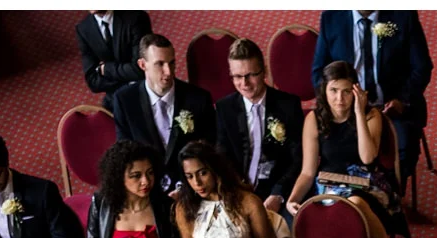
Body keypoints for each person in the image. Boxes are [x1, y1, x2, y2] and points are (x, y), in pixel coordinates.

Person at [286, 60, 419, 238]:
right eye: (333, 91)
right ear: (324, 91)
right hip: (330, 188)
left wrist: (358, 112)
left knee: (355, 202)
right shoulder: (314, 120)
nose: (340, 99)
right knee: (330, 209)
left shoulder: (371, 116)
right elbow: (307, 172)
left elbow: (368, 158)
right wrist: (293, 199)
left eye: (347, 91)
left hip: (369, 186)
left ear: (356, 91)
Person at [311, 10, 433, 186]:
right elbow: (318, 73)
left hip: (393, 107)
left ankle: (392, 197)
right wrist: (338, 104)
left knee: (402, 150)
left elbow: (421, 68)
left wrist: (401, 100)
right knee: (335, 150)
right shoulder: (332, 17)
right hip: (346, 108)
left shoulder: (403, 15)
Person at [111, 33, 217, 192]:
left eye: (171, 63)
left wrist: (184, 187)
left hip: (191, 188)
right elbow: (126, 153)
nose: (168, 72)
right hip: (147, 189)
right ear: (142, 65)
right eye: (160, 64)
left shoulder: (198, 99)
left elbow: (209, 149)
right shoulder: (125, 100)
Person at [215, 38, 305, 214]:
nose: (245, 83)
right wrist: (237, 188)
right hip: (239, 190)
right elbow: (222, 156)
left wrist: (278, 194)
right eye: (238, 77)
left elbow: (298, 158)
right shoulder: (225, 108)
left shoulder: (288, 106)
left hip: (278, 190)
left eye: (251, 75)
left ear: (263, 71)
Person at [85, 139, 181, 238]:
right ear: (119, 177)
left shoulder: (165, 206)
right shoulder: (102, 204)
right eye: (136, 176)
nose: (146, 181)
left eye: (150, 173)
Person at [76, 10, 151, 114]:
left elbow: (140, 69)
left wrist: (106, 69)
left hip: (145, 90)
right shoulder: (84, 29)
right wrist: (127, 73)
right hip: (114, 99)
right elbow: (93, 82)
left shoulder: (136, 17)